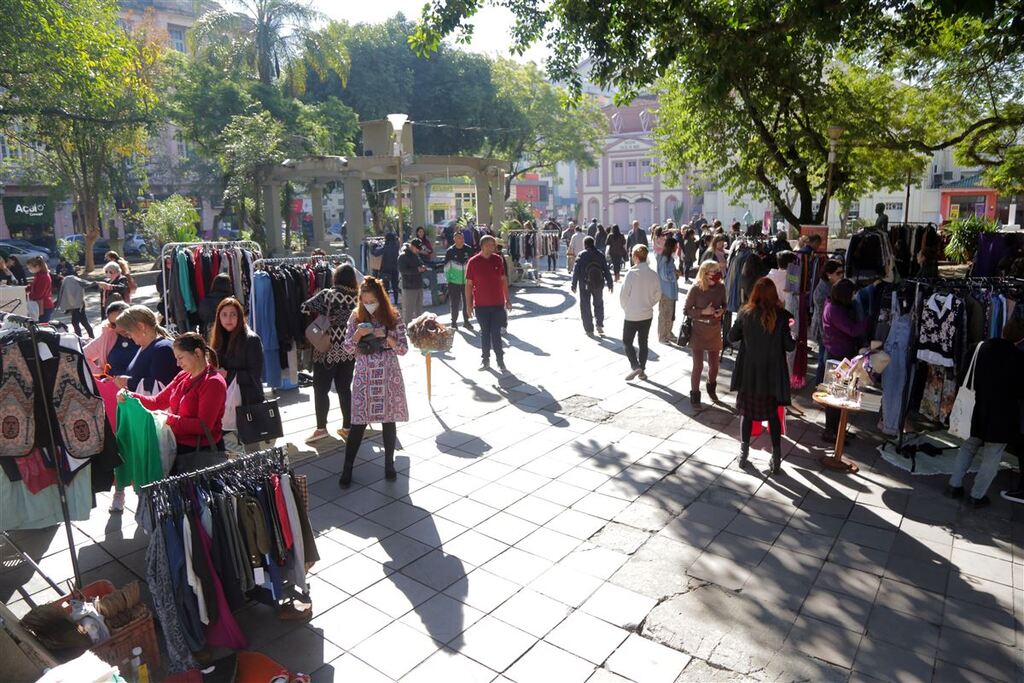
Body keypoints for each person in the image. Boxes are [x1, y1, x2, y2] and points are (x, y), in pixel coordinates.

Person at [338, 277, 409, 487]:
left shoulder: (393, 316)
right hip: (365, 375)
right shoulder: (355, 316)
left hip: (388, 374)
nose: (369, 305)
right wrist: (358, 334)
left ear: (380, 298)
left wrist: (387, 336)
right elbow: (347, 349)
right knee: (358, 421)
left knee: (389, 420)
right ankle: (347, 467)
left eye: (372, 301)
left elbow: (404, 349)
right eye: (365, 301)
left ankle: (389, 463)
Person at [946, 320, 1024, 508]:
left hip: (975, 408)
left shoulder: (978, 347)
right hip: (1002, 415)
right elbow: (1021, 391)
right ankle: (977, 496)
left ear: (1004, 330)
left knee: (968, 446)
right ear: (1021, 338)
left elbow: (964, 374)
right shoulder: (1019, 359)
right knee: (992, 455)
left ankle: (954, 485)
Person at [729, 277, 796, 474]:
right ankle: (776, 457)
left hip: (749, 373)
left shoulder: (745, 313)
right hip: (772, 375)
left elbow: (732, 337)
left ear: (754, 294)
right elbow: (789, 346)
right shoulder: (783, 316)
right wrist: (793, 335)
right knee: (772, 416)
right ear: (774, 295)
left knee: (747, 414)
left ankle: (743, 453)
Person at [127, 332, 228, 458]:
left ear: (197, 353)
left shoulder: (213, 382)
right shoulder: (183, 376)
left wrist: (168, 419)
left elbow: (203, 426)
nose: (177, 364)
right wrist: (129, 396)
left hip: (202, 453)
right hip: (179, 448)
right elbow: (157, 402)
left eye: (180, 358)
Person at [300, 266, 359, 443]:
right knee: (344, 388)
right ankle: (348, 427)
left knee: (321, 389)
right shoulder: (357, 297)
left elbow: (304, 308)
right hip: (349, 351)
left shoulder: (328, 294)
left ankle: (321, 428)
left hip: (327, 350)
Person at [208, 297, 265, 449]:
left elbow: (255, 374)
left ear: (240, 316)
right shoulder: (218, 339)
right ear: (218, 317)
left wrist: (229, 375)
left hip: (247, 401)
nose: (229, 319)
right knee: (227, 448)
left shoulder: (251, 339)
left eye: (233, 314)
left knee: (251, 449)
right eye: (224, 314)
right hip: (225, 400)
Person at [821, 279, 869, 441]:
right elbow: (852, 330)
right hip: (838, 356)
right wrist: (866, 321)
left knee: (843, 394)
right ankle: (830, 431)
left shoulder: (835, 306)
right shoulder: (835, 310)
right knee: (837, 395)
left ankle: (838, 429)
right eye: (852, 294)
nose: (854, 297)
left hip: (841, 354)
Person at [685, 260, 728, 405]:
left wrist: (721, 311)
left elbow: (725, 304)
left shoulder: (721, 287)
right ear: (705, 273)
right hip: (698, 330)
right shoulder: (696, 289)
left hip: (714, 329)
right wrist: (703, 311)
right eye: (713, 272)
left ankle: (711, 387)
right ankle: (695, 396)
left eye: (718, 271)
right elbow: (687, 310)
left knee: (714, 365)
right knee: (698, 366)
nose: (717, 275)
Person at [466, 235, 511, 372]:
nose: (494, 247)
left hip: (497, 304)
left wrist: (507, 299)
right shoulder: (473, 262)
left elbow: (503, 280)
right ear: (484, 246)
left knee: (496, 333)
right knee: (485, 333)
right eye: (491, 245)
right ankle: (485, 360)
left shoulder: (498, 259)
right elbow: (468, 285)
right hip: (481, 305)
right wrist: (468, 305)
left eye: (494, 245)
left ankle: (500, 361)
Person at [113, 305, 178, 394]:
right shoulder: (144, 347)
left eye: (129, 333)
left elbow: (161, 387)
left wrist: (128, 382)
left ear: (141, 326)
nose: (129, 337)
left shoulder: (162, 349)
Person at [619, 245, 661, 381]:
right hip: (647, 313)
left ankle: (635, 365)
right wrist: (649, 304)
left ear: (635, 257)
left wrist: (627, 308)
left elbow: (623, 295)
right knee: (643, 342)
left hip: (632, 314)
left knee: (627, 342)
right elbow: (658, 294)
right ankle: (642, 369)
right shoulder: (653, 274)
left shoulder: (631, 273)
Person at [811, 260, 845, 385]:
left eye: (842, 272)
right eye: (838, 273)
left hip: (824, 331)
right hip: (824, 331)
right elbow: (822, 316)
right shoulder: (824, 290)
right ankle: (819, 384)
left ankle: (819, 384)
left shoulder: (830, 286)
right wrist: (826, 335)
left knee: (824, 358)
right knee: (823, 359)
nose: (841, 275)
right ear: (829, 274)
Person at [572, 235, 613, 337]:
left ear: (585, 244)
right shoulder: (600, 254)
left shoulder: (581, 255)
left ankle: (589, 329)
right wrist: (610, 283)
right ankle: (599, 324)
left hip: (584, 284)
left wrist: (574, 284)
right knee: (598, 303)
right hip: (598, 283)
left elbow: (576, 271)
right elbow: (606, 270)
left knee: (585, 306)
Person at [84, 301, 137, 374]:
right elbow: (83, 356)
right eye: (113, 324)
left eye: (121, 322)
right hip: (113, 384)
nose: (118, 328)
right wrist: (101, 374)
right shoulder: (107, 336)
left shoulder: (144, 334)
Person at [444, 231, 474, 331]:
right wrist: (449, 279)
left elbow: (473, 266)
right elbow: (446, 267)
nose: (460, 240)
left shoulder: (469, 249)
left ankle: (466, 321)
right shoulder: (450, 251)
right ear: (454, 239)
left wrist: (473, 279)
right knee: (454, 303)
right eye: (457, 238)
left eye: (461, 238)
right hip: (454, 282)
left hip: (467, 282)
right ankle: (454, 322)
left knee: (467, 302)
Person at [56, 271, 95, 338]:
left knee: (76, 323)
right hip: (79, 304)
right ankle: (91, 336)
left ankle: (80, 337)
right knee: (83, 322)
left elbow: (67, 295)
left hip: (76, 306)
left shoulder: (69, 280)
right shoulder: (74, 280)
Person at [656, 236, 679, 343]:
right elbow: (665, 275)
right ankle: (662, 336)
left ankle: (668, 332)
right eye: (675, 246)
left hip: (670, 291)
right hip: (666, 291)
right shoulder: (665, 258)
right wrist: (675, 274)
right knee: (664, 314)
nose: (677, 248)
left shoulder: (668, 258)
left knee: (670, 314)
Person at [398, 238, 427, 324]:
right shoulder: (403, 256)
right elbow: (403, 271)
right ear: (411, 246)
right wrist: (417, 270)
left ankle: (419, 329)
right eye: (417, 248)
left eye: (419, 249)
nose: (418, 250)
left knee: (419, 309)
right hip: (409, 286)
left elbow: (421, 263)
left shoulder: (416, 255)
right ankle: (407, 328)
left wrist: (423, 267)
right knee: (408, 310)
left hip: (418, 284)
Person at [25, 256, 54, 322]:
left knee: (42, 328)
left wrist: (28, 296)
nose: (29, 269)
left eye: (30, 268)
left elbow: (39, 294)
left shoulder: (43, 276)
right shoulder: (39, 275)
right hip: (43, 305)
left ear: (37, 266)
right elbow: (33, 287)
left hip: (44, 306)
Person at [377, 232, 400, 303]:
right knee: (395, 286)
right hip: (395, 269)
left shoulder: (385, 247)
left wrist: (373, 247)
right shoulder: (396, 247)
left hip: (385, 269)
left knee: (386, 287)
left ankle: (387, 302)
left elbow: (376, 253)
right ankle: (396, 301)